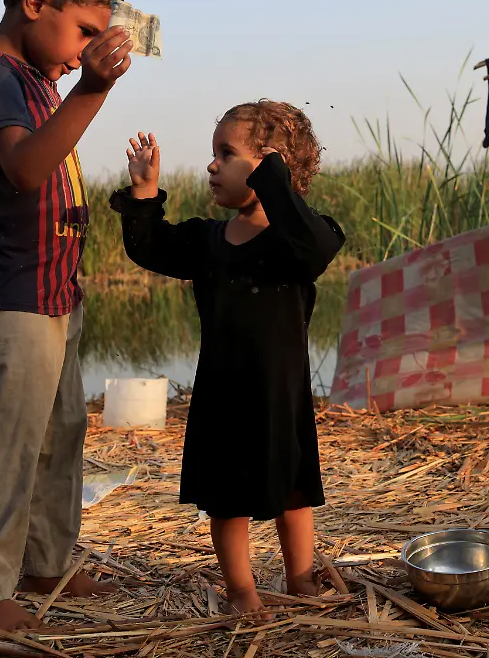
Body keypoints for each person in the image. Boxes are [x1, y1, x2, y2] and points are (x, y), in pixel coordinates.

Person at [0, 0, 134, 631]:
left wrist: (75, 85)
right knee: (10, 445)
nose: (85, 50)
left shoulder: (40, 84)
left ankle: (47, 560)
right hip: (11, 301)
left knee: (61, 432)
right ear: (37, 2)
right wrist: (92, 89)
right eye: (84, 31)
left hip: (54, 295)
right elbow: (26, 170)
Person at [110, 101, 345, 617]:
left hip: (281, 395)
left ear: (268, 166)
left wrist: (273, 180)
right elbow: (149, 247)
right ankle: (241, 592)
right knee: (227, 500)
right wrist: (145, 191)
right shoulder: (207, 241)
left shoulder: (300, 240)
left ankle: (300, 578)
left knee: (294, 489)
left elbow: (314, 248)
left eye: (225, 154)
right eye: (212, 153)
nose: (212, 165)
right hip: (222, 394)